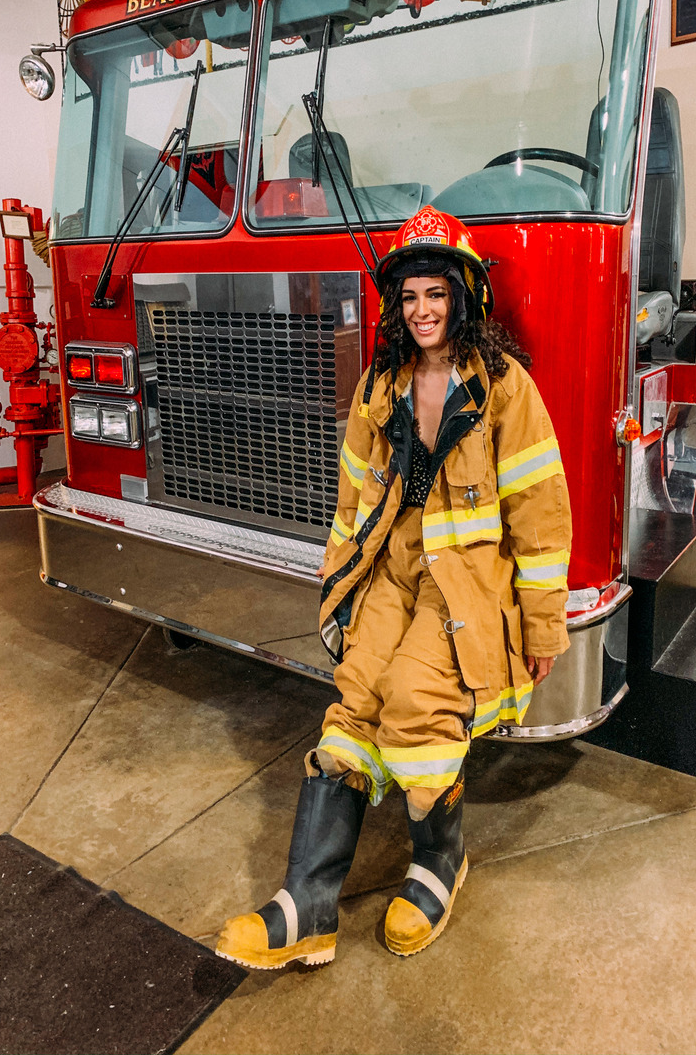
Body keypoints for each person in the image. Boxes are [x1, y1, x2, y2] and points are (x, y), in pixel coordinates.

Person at [216, 205, 571, 969]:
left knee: (416, 702)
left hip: (465, 586)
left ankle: (440, 865)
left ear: (464, 296)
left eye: (436, 294)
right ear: (395, 306)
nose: (423, 311)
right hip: (391, 572)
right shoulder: (380, 386)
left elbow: (542, 520)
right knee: (357, 696)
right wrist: (340, 589)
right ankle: (306, 905)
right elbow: (351, 503)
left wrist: (541, 628)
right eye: (409, 297)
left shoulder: (505, 390)